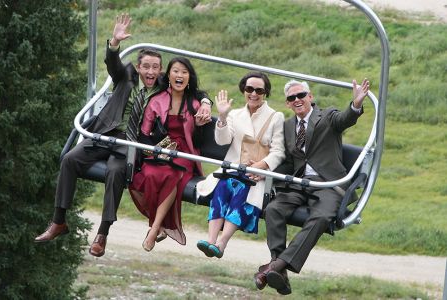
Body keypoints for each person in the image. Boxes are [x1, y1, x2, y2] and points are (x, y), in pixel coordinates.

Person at [34, 14, 211, 257]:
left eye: (155, 67)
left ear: (160, 71)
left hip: (131, 144)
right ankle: (58, 221)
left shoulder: (162, 85)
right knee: (70, 159)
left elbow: (193, 87)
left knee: (116, 172)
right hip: (107, 132)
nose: (150, 71)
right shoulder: (126, 75)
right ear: (138, 67)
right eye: (145, 66)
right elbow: (113, 64)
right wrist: (115, 43)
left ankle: (102, 233)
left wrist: (206, 101)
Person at [253, 78, 370, 295]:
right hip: (299, 184)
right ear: (287, 103)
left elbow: (345, 119)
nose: (297, 100)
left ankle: (275, 267)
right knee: (273, 209)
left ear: (310, 97)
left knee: (321, 218)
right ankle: (279, 270)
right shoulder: (288, 126)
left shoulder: (327, 116)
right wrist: (265, 173)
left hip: (328, 185)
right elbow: (289, 161)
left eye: (301, 95)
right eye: (291, 98)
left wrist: (355, 105)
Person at [195, 72, 285, 258]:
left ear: (265, 92)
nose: (253, 93)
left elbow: (279, 151)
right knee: (223, 187)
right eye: (249, 89)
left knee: (243, 189)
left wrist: (260, 166)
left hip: (257, 174)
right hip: (233, 169)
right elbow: (222, 140)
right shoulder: (235, 115)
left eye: (259, 90)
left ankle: (222, 243)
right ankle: (211, 240)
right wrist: (222, 116)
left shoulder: (276, 117)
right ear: (243, 90)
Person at [129, 56, 211, 251]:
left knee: (171, 175)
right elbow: (145, 133)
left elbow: (199, 142)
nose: (180, 75)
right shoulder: (157, 100)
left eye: (184, 72)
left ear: (189, 77)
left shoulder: (195, 103)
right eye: (176, 71)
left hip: (185, 153)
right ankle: (161, 226)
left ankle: (154, 228)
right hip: (162, 148)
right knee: (144, 176)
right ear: (169, 75)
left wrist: (199, 126)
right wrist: (156, 150)